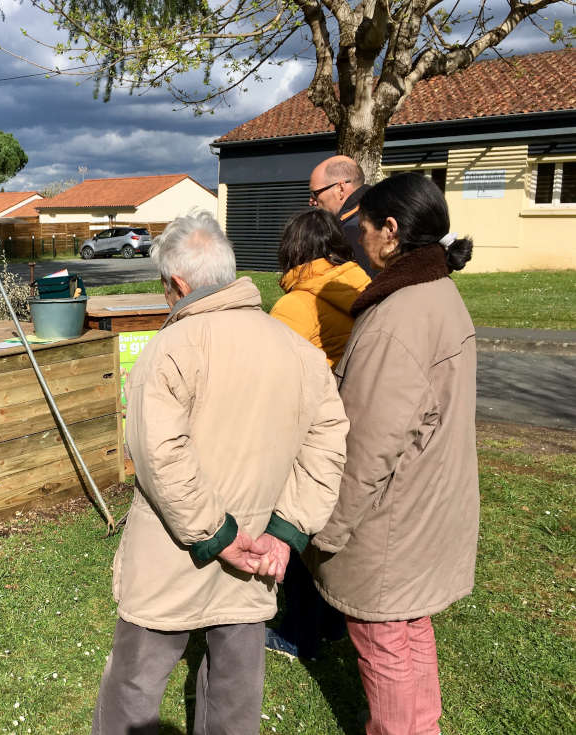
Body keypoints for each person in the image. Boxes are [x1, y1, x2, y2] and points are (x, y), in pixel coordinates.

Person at [92, 210, 349, 735]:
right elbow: (329, 445)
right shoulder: (300, 352)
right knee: (235, 691)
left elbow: (160, 456)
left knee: (136, 686)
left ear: (178, 284)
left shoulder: (167, 350)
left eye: (165, 286)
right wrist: (286, 533)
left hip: (175, 552)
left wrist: (218, 536)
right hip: (259, 553)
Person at [306, 172, 479, 734]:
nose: (358, 238)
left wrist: (329, 532)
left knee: (384, 639)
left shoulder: (397, 316)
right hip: (427, 503)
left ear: (393, 230)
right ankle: (420, 724)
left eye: (365, 228)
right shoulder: (438, 291)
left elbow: (368, 449)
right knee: (408, 626)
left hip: (392, 521)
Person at [265, 209, 370, 660]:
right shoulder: (361, 288)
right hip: (353, 425)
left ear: (293, 251)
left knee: (296, 523)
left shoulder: (295, 305)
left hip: (306, 430)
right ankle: (331, 622)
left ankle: (297, 630)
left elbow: (273, 377)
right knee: (330, 525)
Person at [309, 155, 375, 276]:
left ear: (340, 189)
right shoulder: (377, 211)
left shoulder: (353, 230)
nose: (311, 201)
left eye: (315, 194)